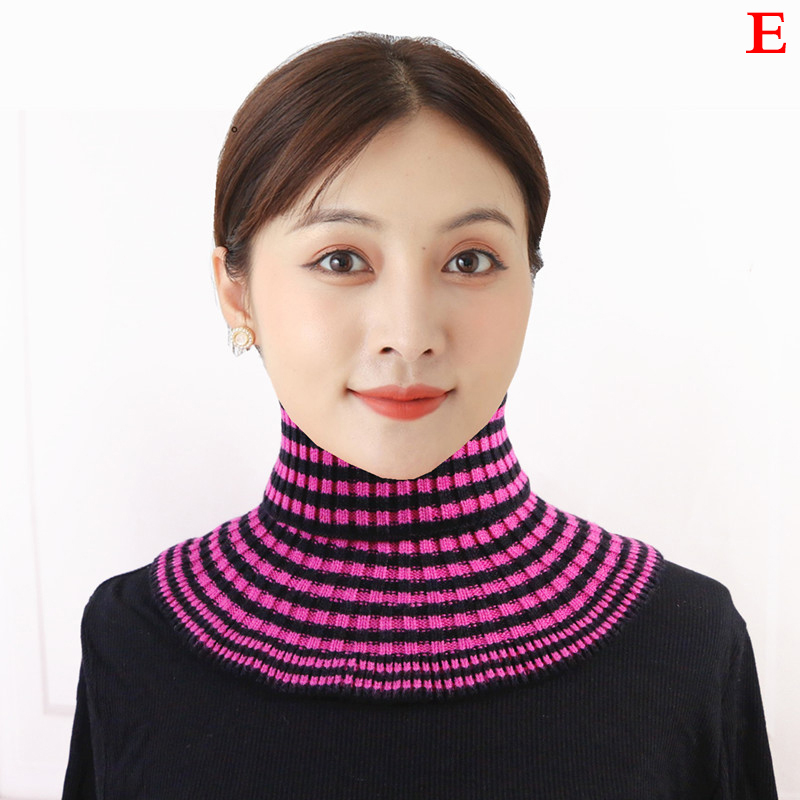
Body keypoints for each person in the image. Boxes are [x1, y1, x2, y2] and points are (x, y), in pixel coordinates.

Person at [61, 32, 778, 799]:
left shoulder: (687, 642)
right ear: (237, 294)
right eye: (342, 260)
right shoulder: (131, 640)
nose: (409, 335)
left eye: (470, 260)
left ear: (529, 282)